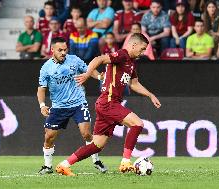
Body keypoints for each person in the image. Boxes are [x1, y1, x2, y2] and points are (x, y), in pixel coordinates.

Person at [55, 33, 161, 176]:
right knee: (137, 124)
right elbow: (100, 58)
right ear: (134, 45)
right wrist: (87, 74)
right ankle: (125, 161)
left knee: (96, 146)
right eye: (142, 49)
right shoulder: (122, 55)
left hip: (106, 103)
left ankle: (64, 165)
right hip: (109, 102)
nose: (142, 53)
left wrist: (150, 95)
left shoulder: (130, 63)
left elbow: (134, 84)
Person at [37, 37, 107, 175]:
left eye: (65, 49)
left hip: (78, 103)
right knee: (49, 137)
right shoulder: (46, 68)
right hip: (58, 106)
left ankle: (96, 160)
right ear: (52, 50)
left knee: (86, 133)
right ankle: (47, 166)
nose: (63, 52)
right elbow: (41, 88)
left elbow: (89, 70)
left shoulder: (74, 60)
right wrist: (42, 105)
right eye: (60, 50)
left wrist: (99, 77)